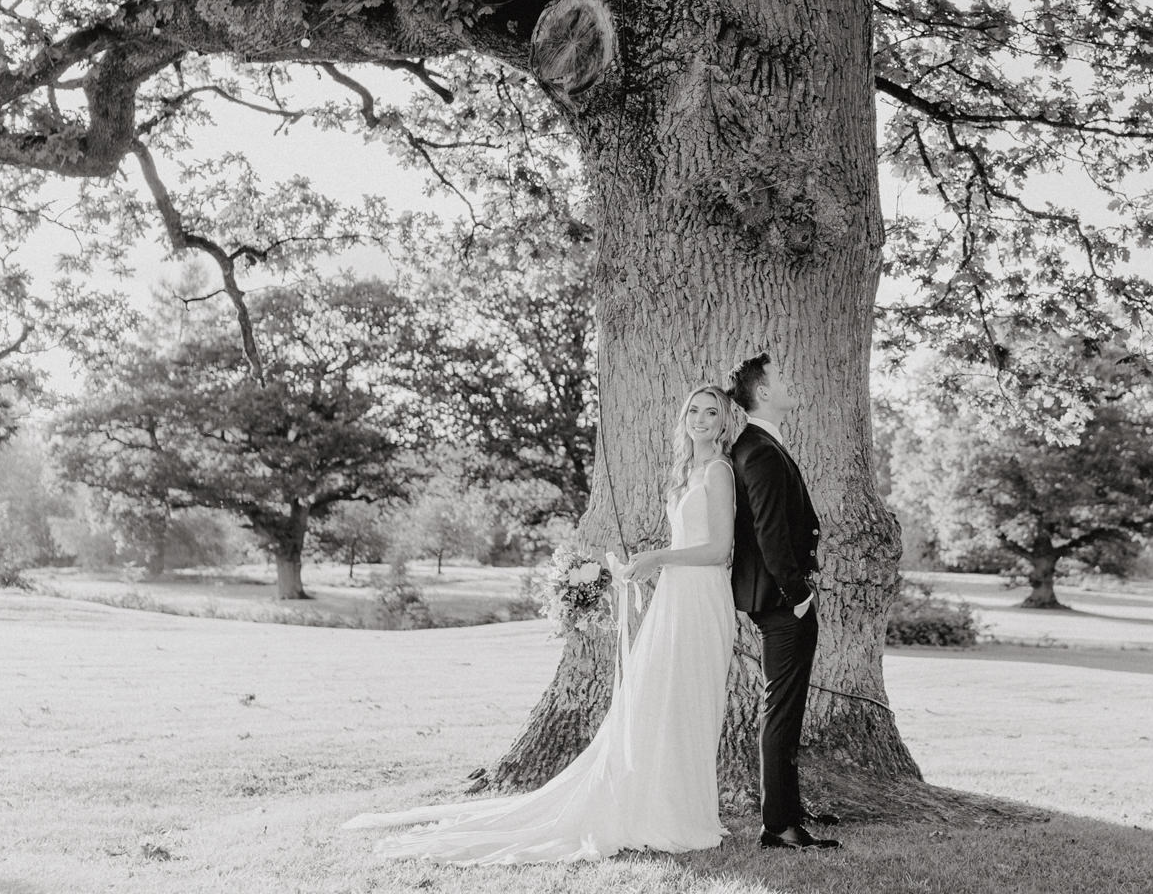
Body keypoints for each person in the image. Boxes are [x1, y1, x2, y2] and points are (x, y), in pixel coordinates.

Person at [340, 385, 741, 865]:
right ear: (684, 419)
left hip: (701, 597)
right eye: (693, 411)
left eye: (710, 412)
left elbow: (720, 551)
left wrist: (658, 557)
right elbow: (689, 541)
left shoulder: (719, 472)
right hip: (675, 596)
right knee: (661, 703)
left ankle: (687, 813)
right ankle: (663, 804)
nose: (699, 419)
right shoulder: (684, 473)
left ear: (723, 422)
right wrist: (640, 566)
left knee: (690, 702)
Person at [725, 352, 842, 850]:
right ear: (764, 392)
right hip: (780, 599)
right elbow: (771, 533)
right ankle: (779, 826)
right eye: (781, 377)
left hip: (774, 597)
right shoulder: (761, 451)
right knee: (782, 711)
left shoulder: (759, 445)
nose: (790, 381)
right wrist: (798, 595)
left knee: (786, 709)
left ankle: (788, 811)